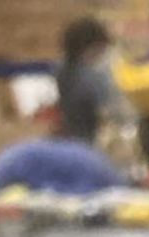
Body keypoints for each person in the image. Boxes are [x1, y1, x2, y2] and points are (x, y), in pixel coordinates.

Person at [56, 16, 125, 145]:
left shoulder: (62, 70)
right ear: (90, 48)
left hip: (74, 138)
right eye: (100, 50)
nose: (101, 56)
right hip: (89, 141)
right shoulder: (90, 78)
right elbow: (112, 112)